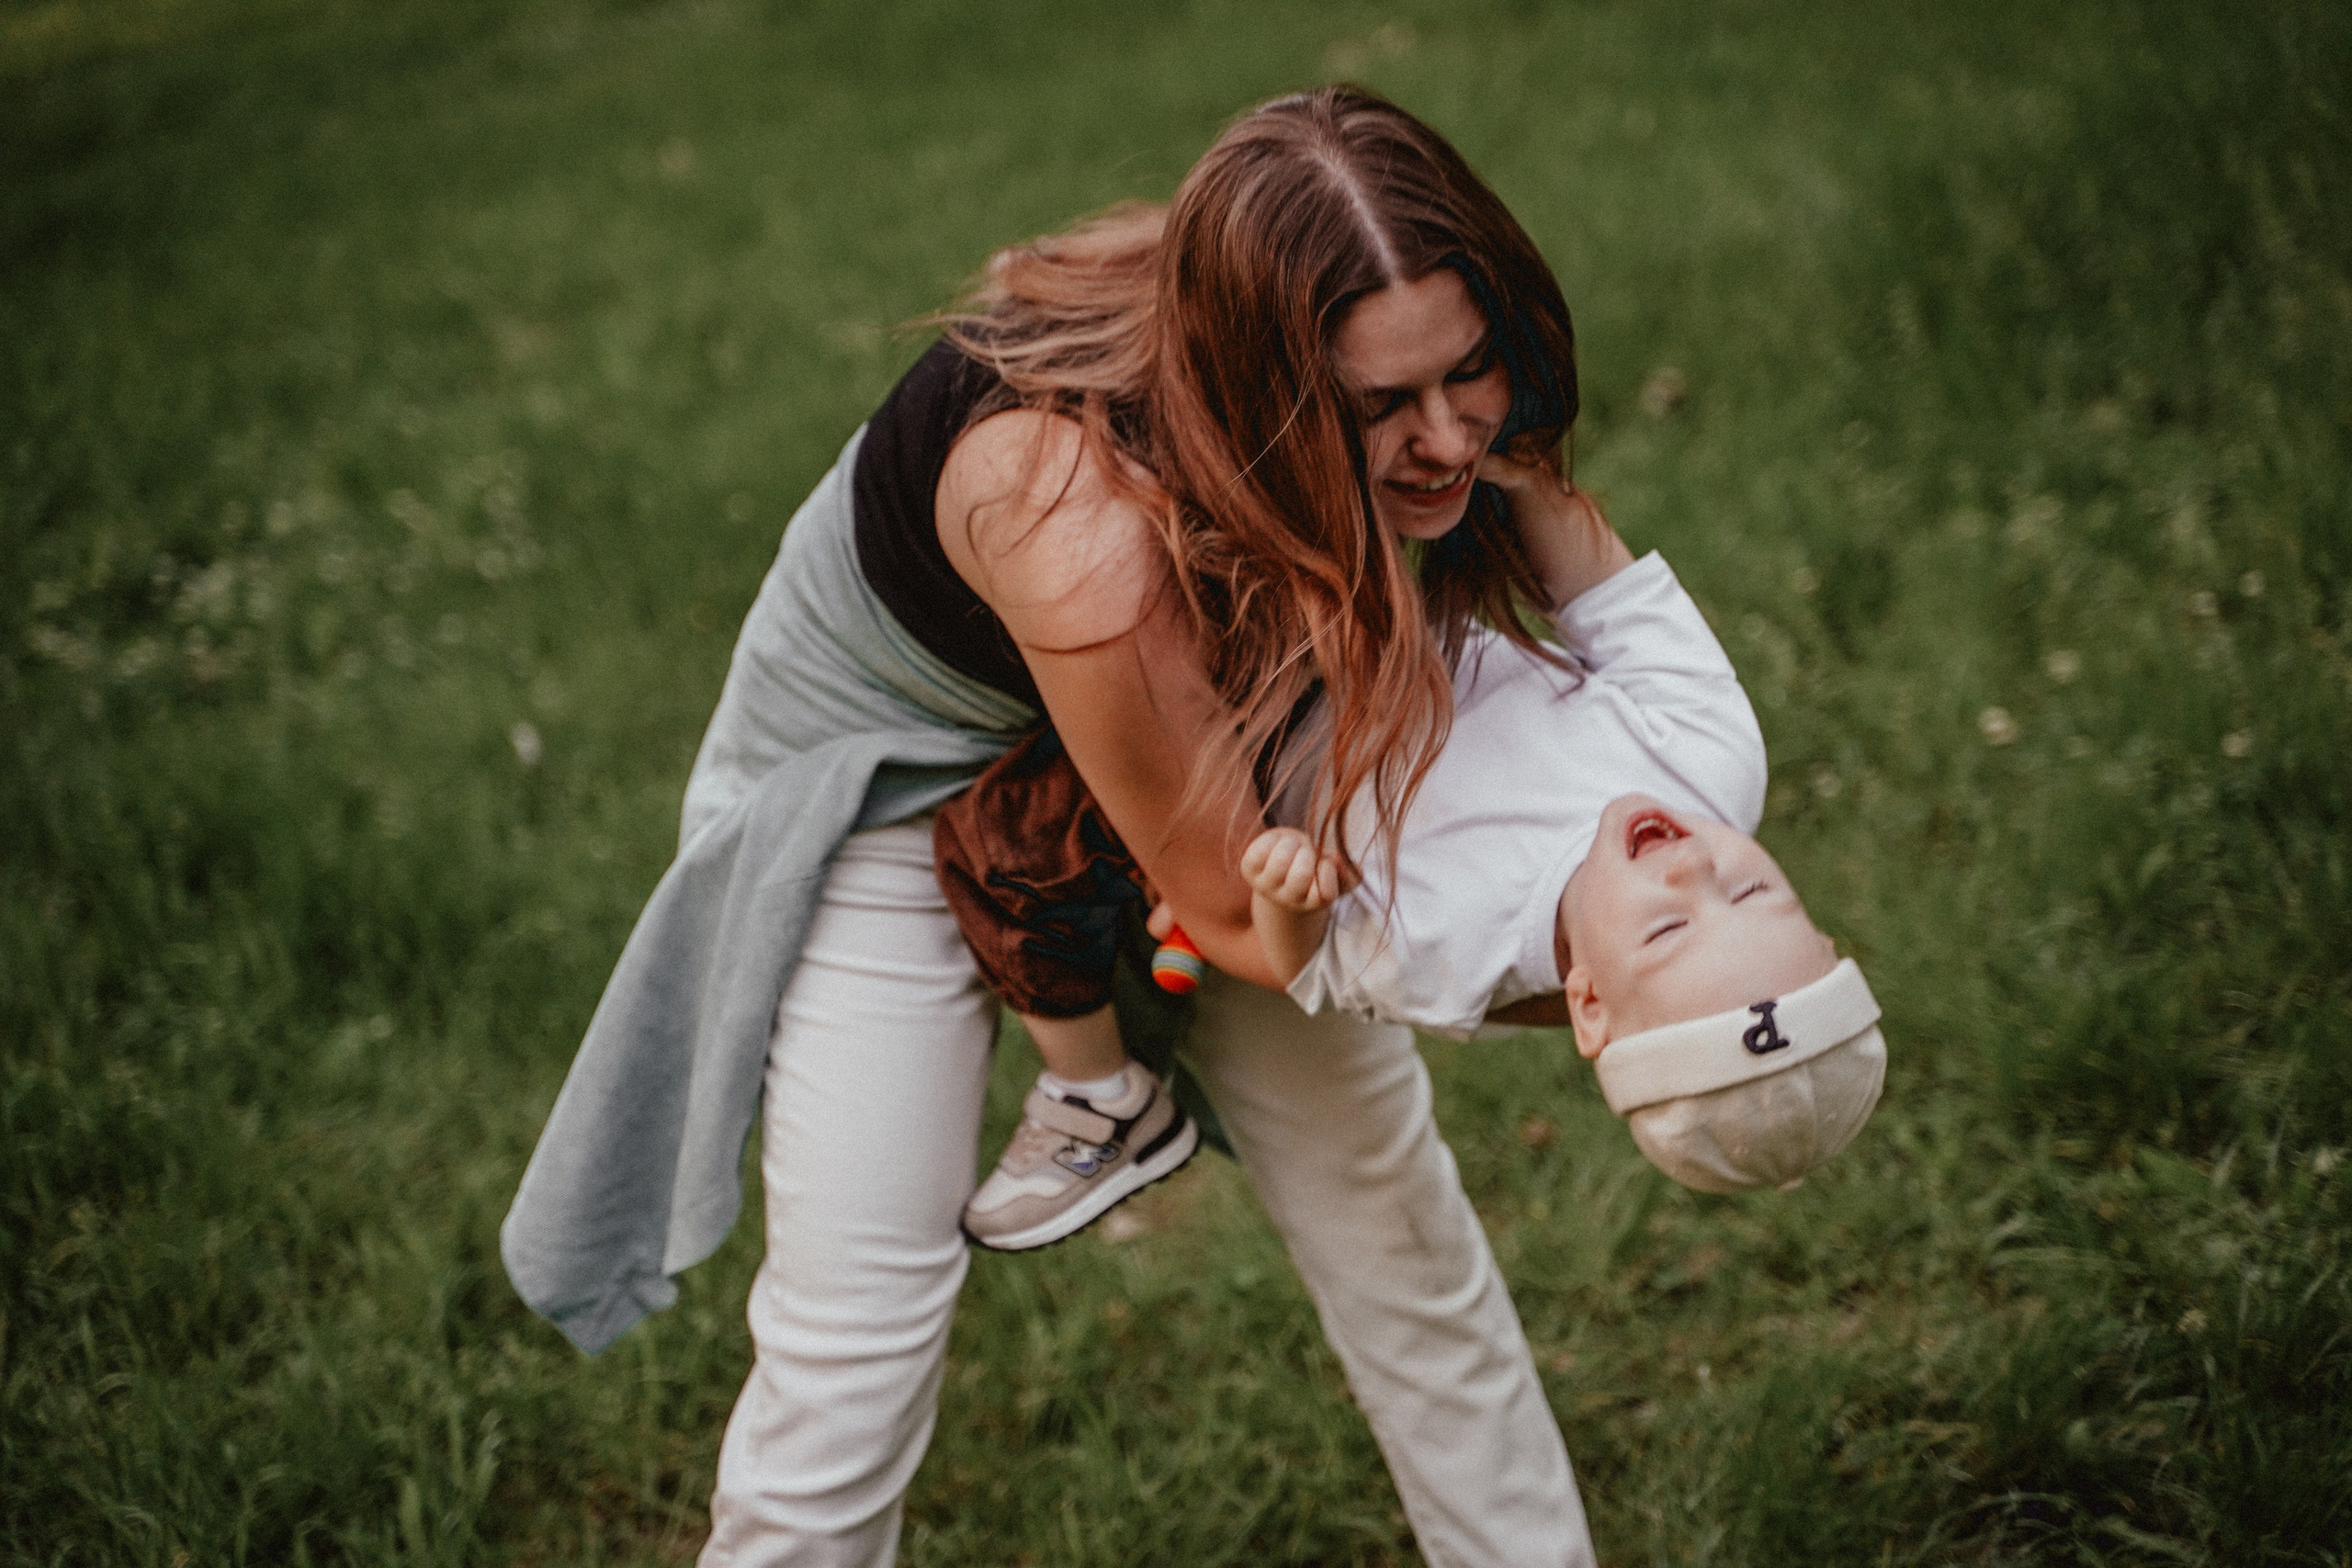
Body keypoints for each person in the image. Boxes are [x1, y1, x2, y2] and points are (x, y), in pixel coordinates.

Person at [503, 85, 1616, 1565]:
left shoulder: (1297, 295)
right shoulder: (1070, 515)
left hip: (1197, 733)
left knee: (1390, 1220)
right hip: (896, 796)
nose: (1444, 442)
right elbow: (1235, 916)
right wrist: (1619, 985)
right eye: (1378, 407)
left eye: (1466, 372)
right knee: (857, 1325)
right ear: (1263, 390)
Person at [943, 542, 1883, 1247]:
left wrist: (1288, 896)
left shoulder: (1452, 956)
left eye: (1670, 926)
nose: (1695, 869)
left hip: (1228, 749)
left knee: (1011, 841)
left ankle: (1095, 1088)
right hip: (1365, 605)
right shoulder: (1709, 766)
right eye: (1756, 889)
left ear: (1586, 1000)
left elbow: (1302, 964)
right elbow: (1609, 588)